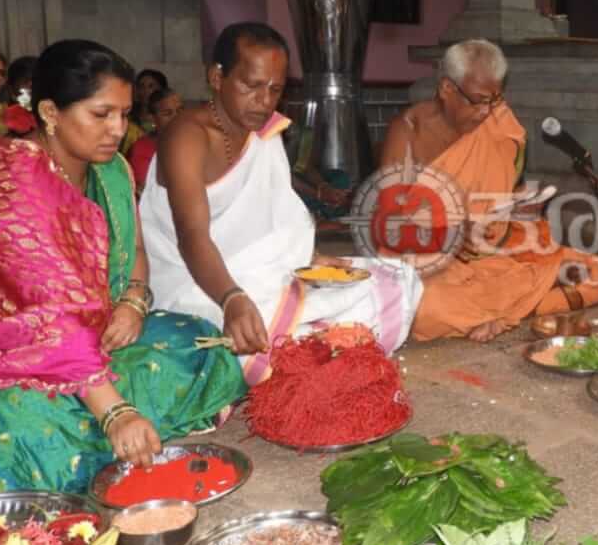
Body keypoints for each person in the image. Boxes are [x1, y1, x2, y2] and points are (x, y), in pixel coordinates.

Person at [0, 40, 247, 502]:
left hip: (97, 336)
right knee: (9, 425)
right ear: (50, 112)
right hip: (8, 353)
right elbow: (45, 316)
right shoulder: (8, 179)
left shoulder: (112, 170)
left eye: (124, 114)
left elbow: (135, 249)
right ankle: (101, 427)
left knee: (202, 342)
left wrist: (133, 302)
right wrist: (114, 412)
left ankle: (95, 427)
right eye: (101, 114)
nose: (118, 129)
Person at [141, 23, 421, 383]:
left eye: (275, 89)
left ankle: (301, 350)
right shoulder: (186, 136)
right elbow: (192, 236)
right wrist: (232, 299)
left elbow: (276, 215)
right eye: (252, 85)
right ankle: (299, 350)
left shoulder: (267, 131)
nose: (264, 101)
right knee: (247, 335)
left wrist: (309, 257)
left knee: (394, 279)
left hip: (263, 270)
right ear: (217, 77)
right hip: (197, 281)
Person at [380, 39, 598, 342]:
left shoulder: (497, 122)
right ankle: (520, 308)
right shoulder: (408, 132)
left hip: (494, 255)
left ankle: (491, 314)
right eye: (478, 101)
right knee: (422, 306)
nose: (486, 111)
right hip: (432, 264)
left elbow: (501, 189)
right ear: (447, 88)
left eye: (494, 100)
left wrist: (519, 206)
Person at [126, 86, 182, 195]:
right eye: (167, 113)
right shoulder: (142, 149)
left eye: (180, 110)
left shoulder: (194, 142)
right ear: (152, 118)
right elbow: (144, 191)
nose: (176, 117)